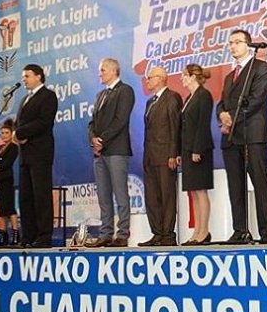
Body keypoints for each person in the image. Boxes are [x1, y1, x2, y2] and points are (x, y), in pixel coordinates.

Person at [216, 29, 267, 244]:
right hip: (231, 137)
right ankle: (240, 230)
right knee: (235, 186)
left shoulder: (262, 68)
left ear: (249, 45)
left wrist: (231, 117)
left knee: (259, 182)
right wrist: (222, 115)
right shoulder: (229, 76)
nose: (233, 46)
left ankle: (266, 231)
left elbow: (257, 99)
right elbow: (222, 103)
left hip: (253, 135)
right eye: (230, 43)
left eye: (237, 42)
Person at [86, 58, 134, 248]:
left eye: (103, 70)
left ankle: (122, 234)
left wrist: (102, 140)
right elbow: (92, 122)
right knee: (103, 196)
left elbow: (120, 120)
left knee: (120, 194)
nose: (100, 74)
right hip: (100, 153)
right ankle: (105, 234)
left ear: (114, 71)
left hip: (116, 150)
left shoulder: (125, 91)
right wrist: (93, 138)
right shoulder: (100, 95)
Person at [12, 64, 58, 248]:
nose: (24, 79)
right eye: (23, 76)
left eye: (27, 75)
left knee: (41, 195)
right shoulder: (25, 99)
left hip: (40, 152)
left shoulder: (48, 96)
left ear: (38, 76)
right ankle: (28, 236)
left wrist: (21, 133)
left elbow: (44, 122)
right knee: (25, 197)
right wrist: (17, 134)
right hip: (25, 154)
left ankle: (44, 236)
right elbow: (18, 123)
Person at [140, 66, 182, 247]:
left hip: (165, 155)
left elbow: (175, 126)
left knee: (167, 196)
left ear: (160, 78)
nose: (147, 81)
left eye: (150, 77)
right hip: (150, 156)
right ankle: (157, 233)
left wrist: (173, 153)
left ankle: (167, 235)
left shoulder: (172, 97)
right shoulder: (150, 102)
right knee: (152, 197)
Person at [178, 63, 215, 245]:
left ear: (193, 76)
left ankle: (204, 231)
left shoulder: (204, 95)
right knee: (193, 192)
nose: (181, 78)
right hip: (187, 149)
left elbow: (202, 124)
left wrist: (197, 149)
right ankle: (196, 231)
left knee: (201, 191)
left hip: (199, 150)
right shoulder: (189, 98)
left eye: (184, 75)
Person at [0, 119, 19, 246]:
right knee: (1, 209)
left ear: (11, 134)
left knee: (9, 208)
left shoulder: (13, 147)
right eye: (2, 133)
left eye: (6, 133)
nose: (4, 135)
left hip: (6, 179)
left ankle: (15, 234)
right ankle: (2, 235)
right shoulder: (0, 147)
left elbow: (6, 164)